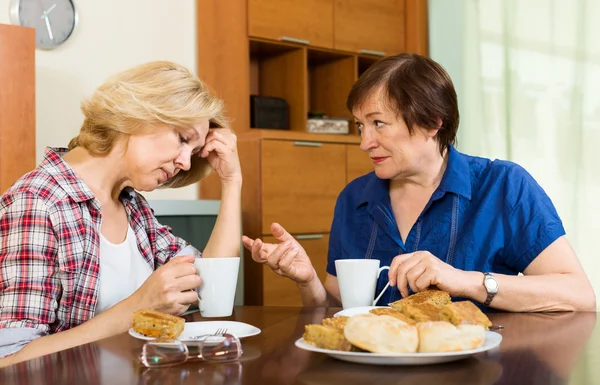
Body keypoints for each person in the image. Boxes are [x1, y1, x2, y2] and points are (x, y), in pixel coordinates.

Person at [243, 53, 596, 313]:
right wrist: (308, 282)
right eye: (360, 126)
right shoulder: (354, 199)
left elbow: (579, 295)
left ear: (432, 123)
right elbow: (338, 309)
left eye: (378, 123)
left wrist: (466, 280)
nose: (365, 142)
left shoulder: (503, 185)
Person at [0, 61, 242, 366]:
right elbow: (9, 360)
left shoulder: (133, 206)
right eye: (182, 139)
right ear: (139, 112)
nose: (186, 163)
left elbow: (210, 289)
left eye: (194, 153)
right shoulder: (38, 202)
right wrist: (138, 307)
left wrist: (232, 183)